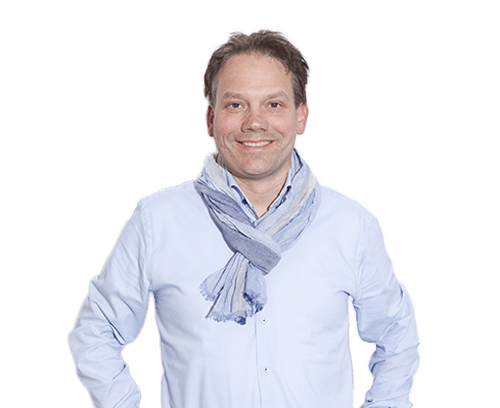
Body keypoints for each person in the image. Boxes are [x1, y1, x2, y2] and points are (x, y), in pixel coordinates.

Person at [67, 28, 421, 408]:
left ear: (301, 116)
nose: (255, 122)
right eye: (236, 105)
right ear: (210, 118)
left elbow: (396, 334)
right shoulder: (157, 222)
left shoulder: (351, 224)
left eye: (274, 104)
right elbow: (94, 333)